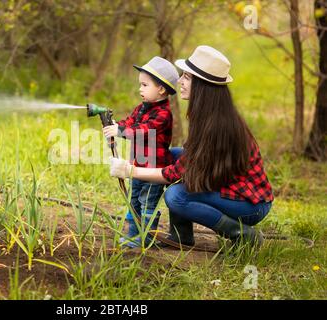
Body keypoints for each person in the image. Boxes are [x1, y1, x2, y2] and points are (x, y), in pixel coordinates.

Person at [109, 46, 273, 248]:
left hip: (250, 205)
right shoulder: (207, 113)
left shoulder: (216, 126)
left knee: (176, 196)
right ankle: (181, 236)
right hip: (230, 187)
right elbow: (187, 163)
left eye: (186, 77)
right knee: (176, 154)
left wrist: (130, 170)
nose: (179, 82)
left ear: (201, 86)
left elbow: (172, 174)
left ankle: (242, 234)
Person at [102, 56, 179, 247]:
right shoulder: (142, 108)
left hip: (154, 169)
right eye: (140, 85)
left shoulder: (163, 114)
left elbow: (143, 132)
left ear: (161, 89)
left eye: (145, 85)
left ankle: (147, 238)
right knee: (134, 200)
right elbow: (130, 122)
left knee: (147, 203)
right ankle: (134, 234)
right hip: (137, 165)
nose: (140, 89)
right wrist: (115, 125)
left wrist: (120, 132)